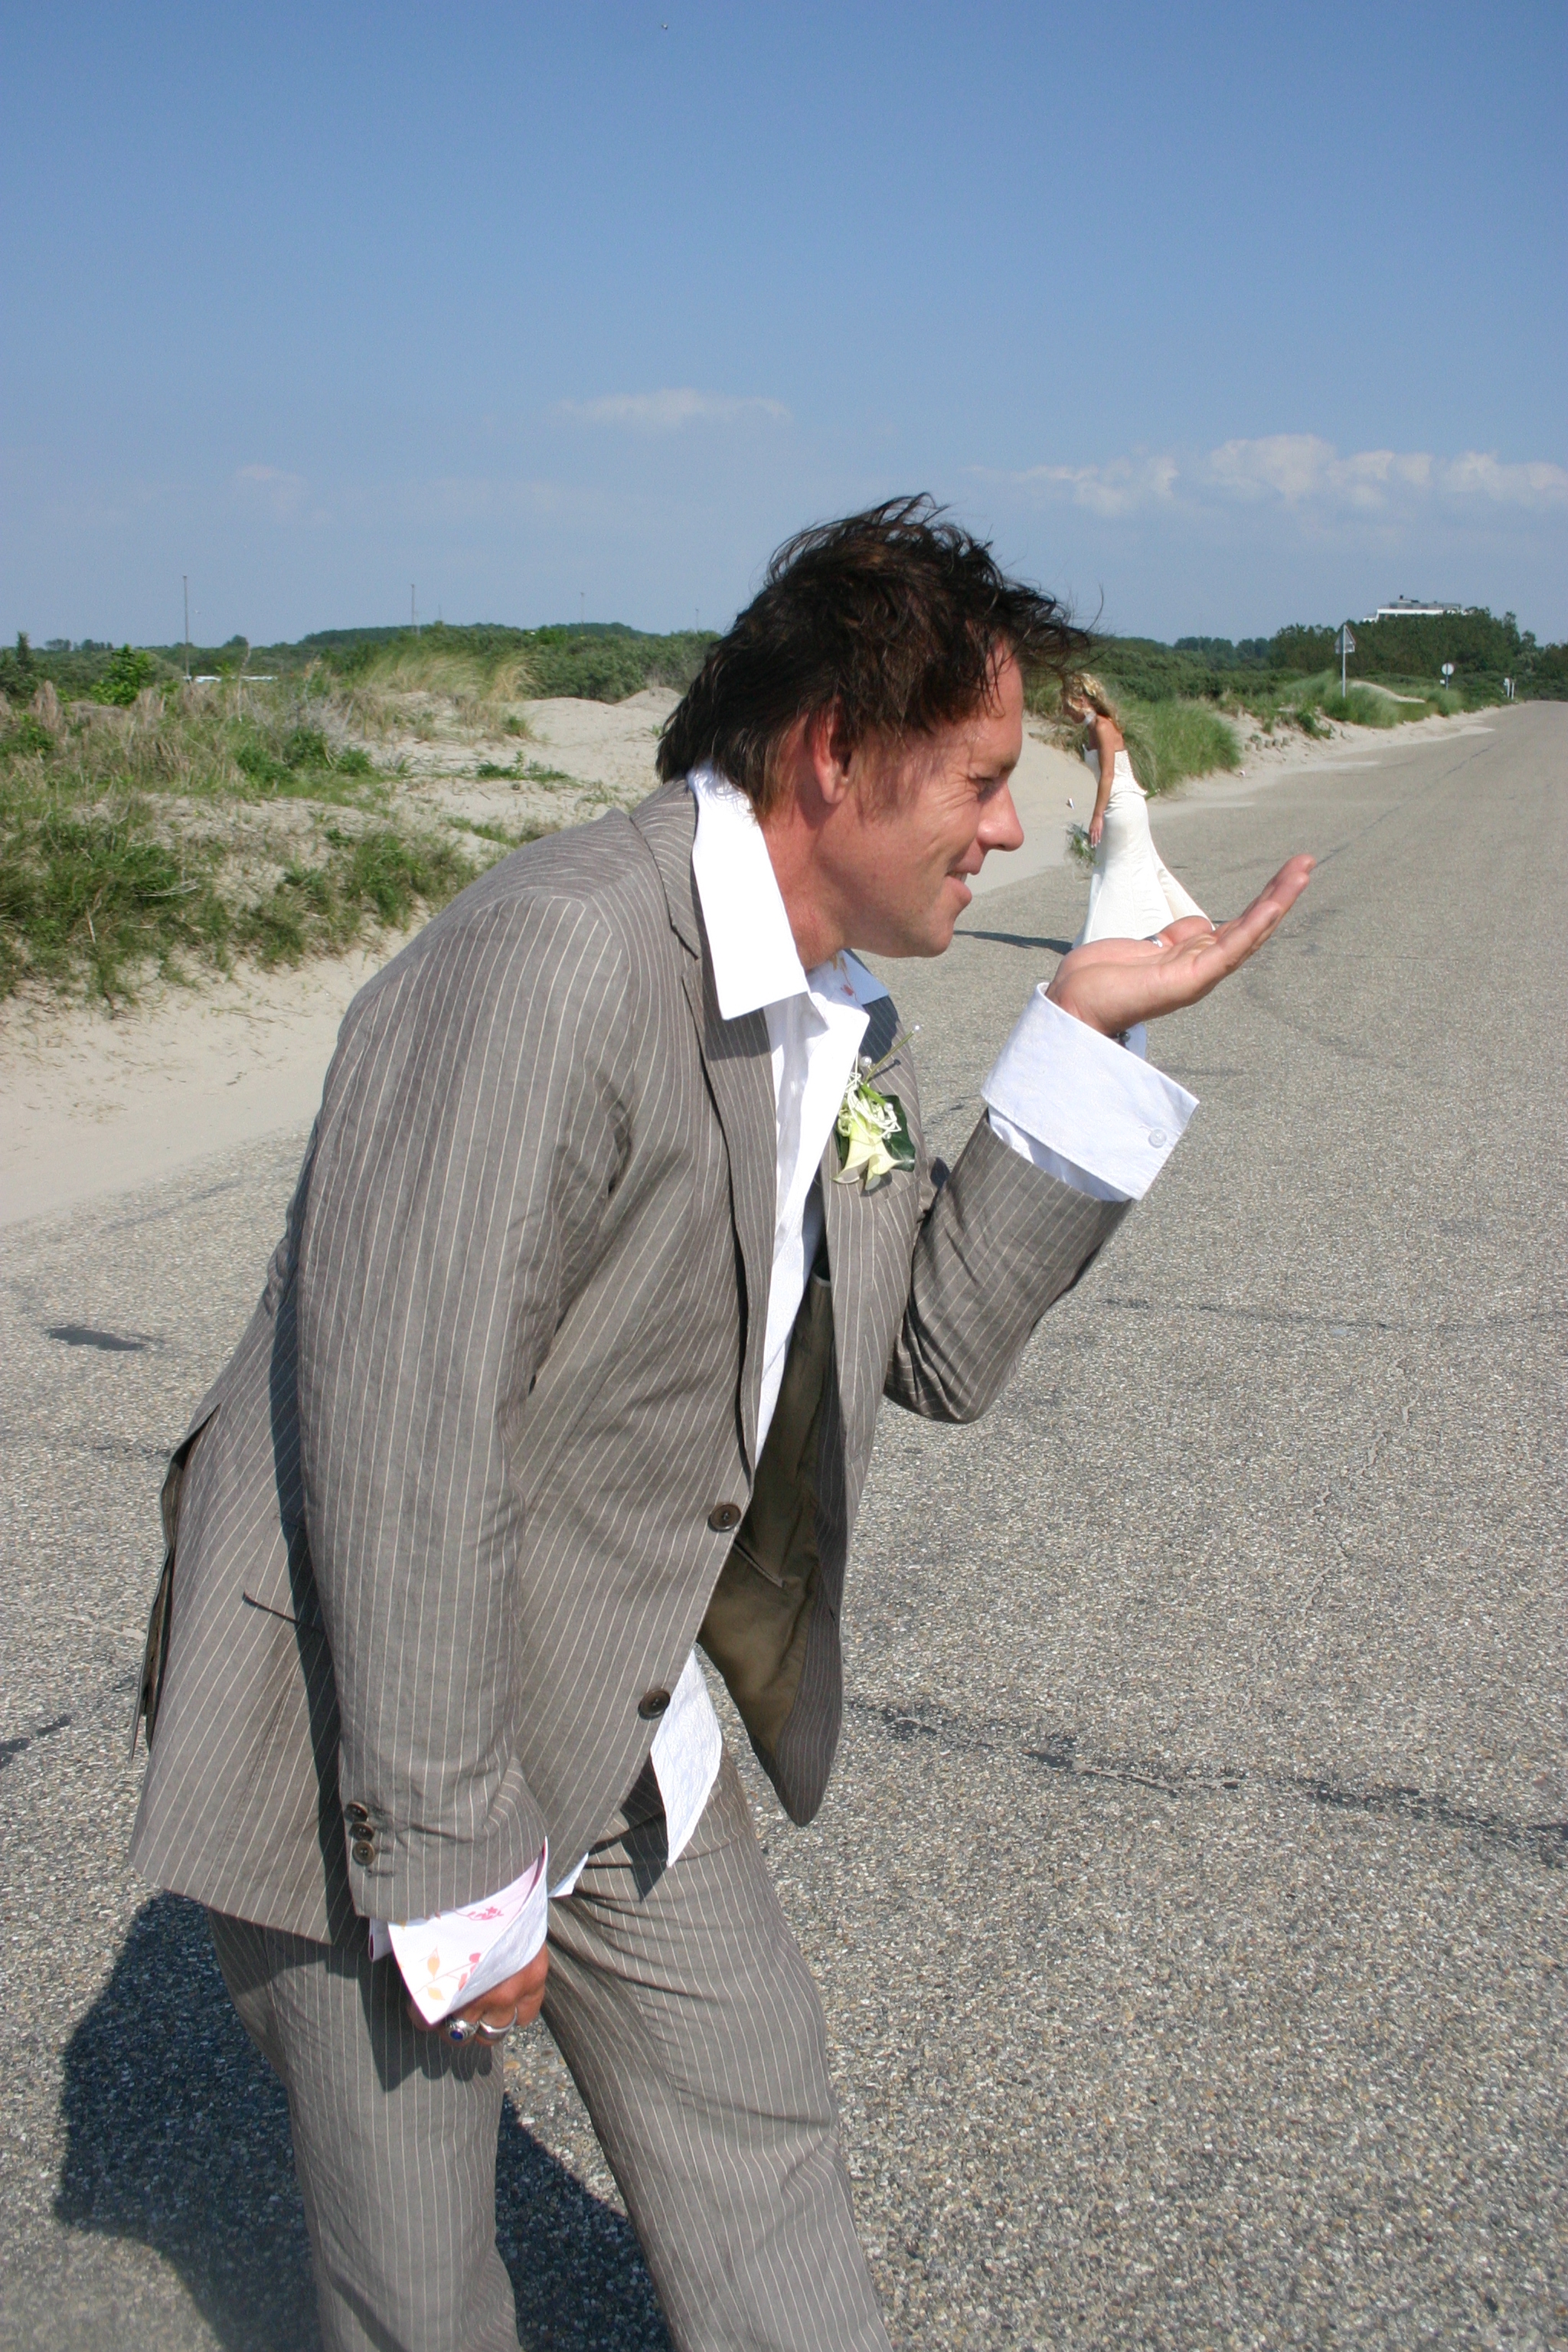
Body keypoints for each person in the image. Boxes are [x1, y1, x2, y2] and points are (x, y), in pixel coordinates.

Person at [127, 499, 1310, 2352]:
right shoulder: (553, 963)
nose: (1009, 829)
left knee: (756, 2130)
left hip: (610, 1695)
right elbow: (401, 1439)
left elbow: (935, 1340)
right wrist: (447, 1865)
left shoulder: (838, 1011)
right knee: (416, 2285)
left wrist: (1086, 1030)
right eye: (980, 780)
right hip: (367, 1722)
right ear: (833, 751)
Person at [1065, 672, 1210, 944]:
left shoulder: (1103, 726)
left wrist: (1097, 816)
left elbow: (1108, 775)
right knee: (1124, 868)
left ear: (1081, 699)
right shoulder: (1092, 727)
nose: (1065, 711)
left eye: (1067, 704)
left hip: (1124, 805)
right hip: (1116, 804)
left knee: (1118, 870)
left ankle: (1118, 936)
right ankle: (1141, 932)